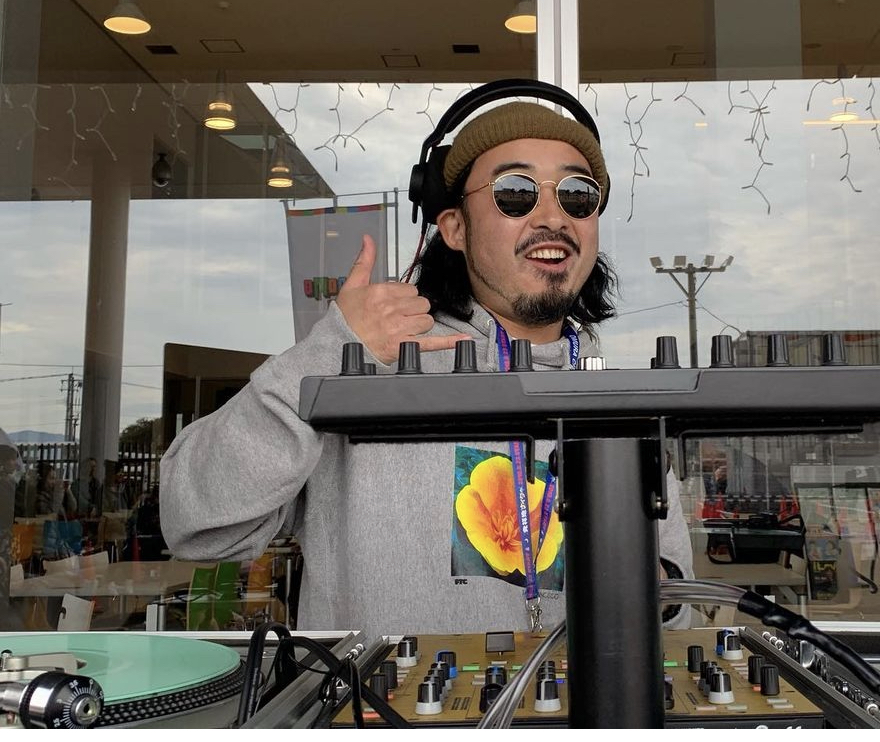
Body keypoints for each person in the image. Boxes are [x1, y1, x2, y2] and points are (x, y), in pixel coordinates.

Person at [160, 93, 694, 637]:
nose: (553, 216)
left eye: (578, 195)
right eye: (516, 192)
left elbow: (681, 612)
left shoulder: (621, 405)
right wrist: (327, 355)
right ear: (455, 227)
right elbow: (194, 524)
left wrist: (654, 587)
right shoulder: (362, 370)